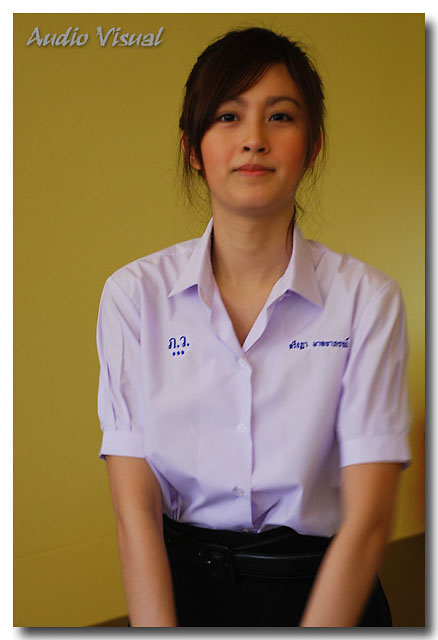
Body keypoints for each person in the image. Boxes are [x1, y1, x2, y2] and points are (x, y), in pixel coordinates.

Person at [96, 27, 412, 627]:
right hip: (184, 596)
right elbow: (134, 513)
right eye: (228, 116)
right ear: (193, 148)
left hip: (327, 598)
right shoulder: (134, 297)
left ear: (312, 147)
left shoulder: (367, 300)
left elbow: (369, 522)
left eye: (281, 116)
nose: (254, 140)